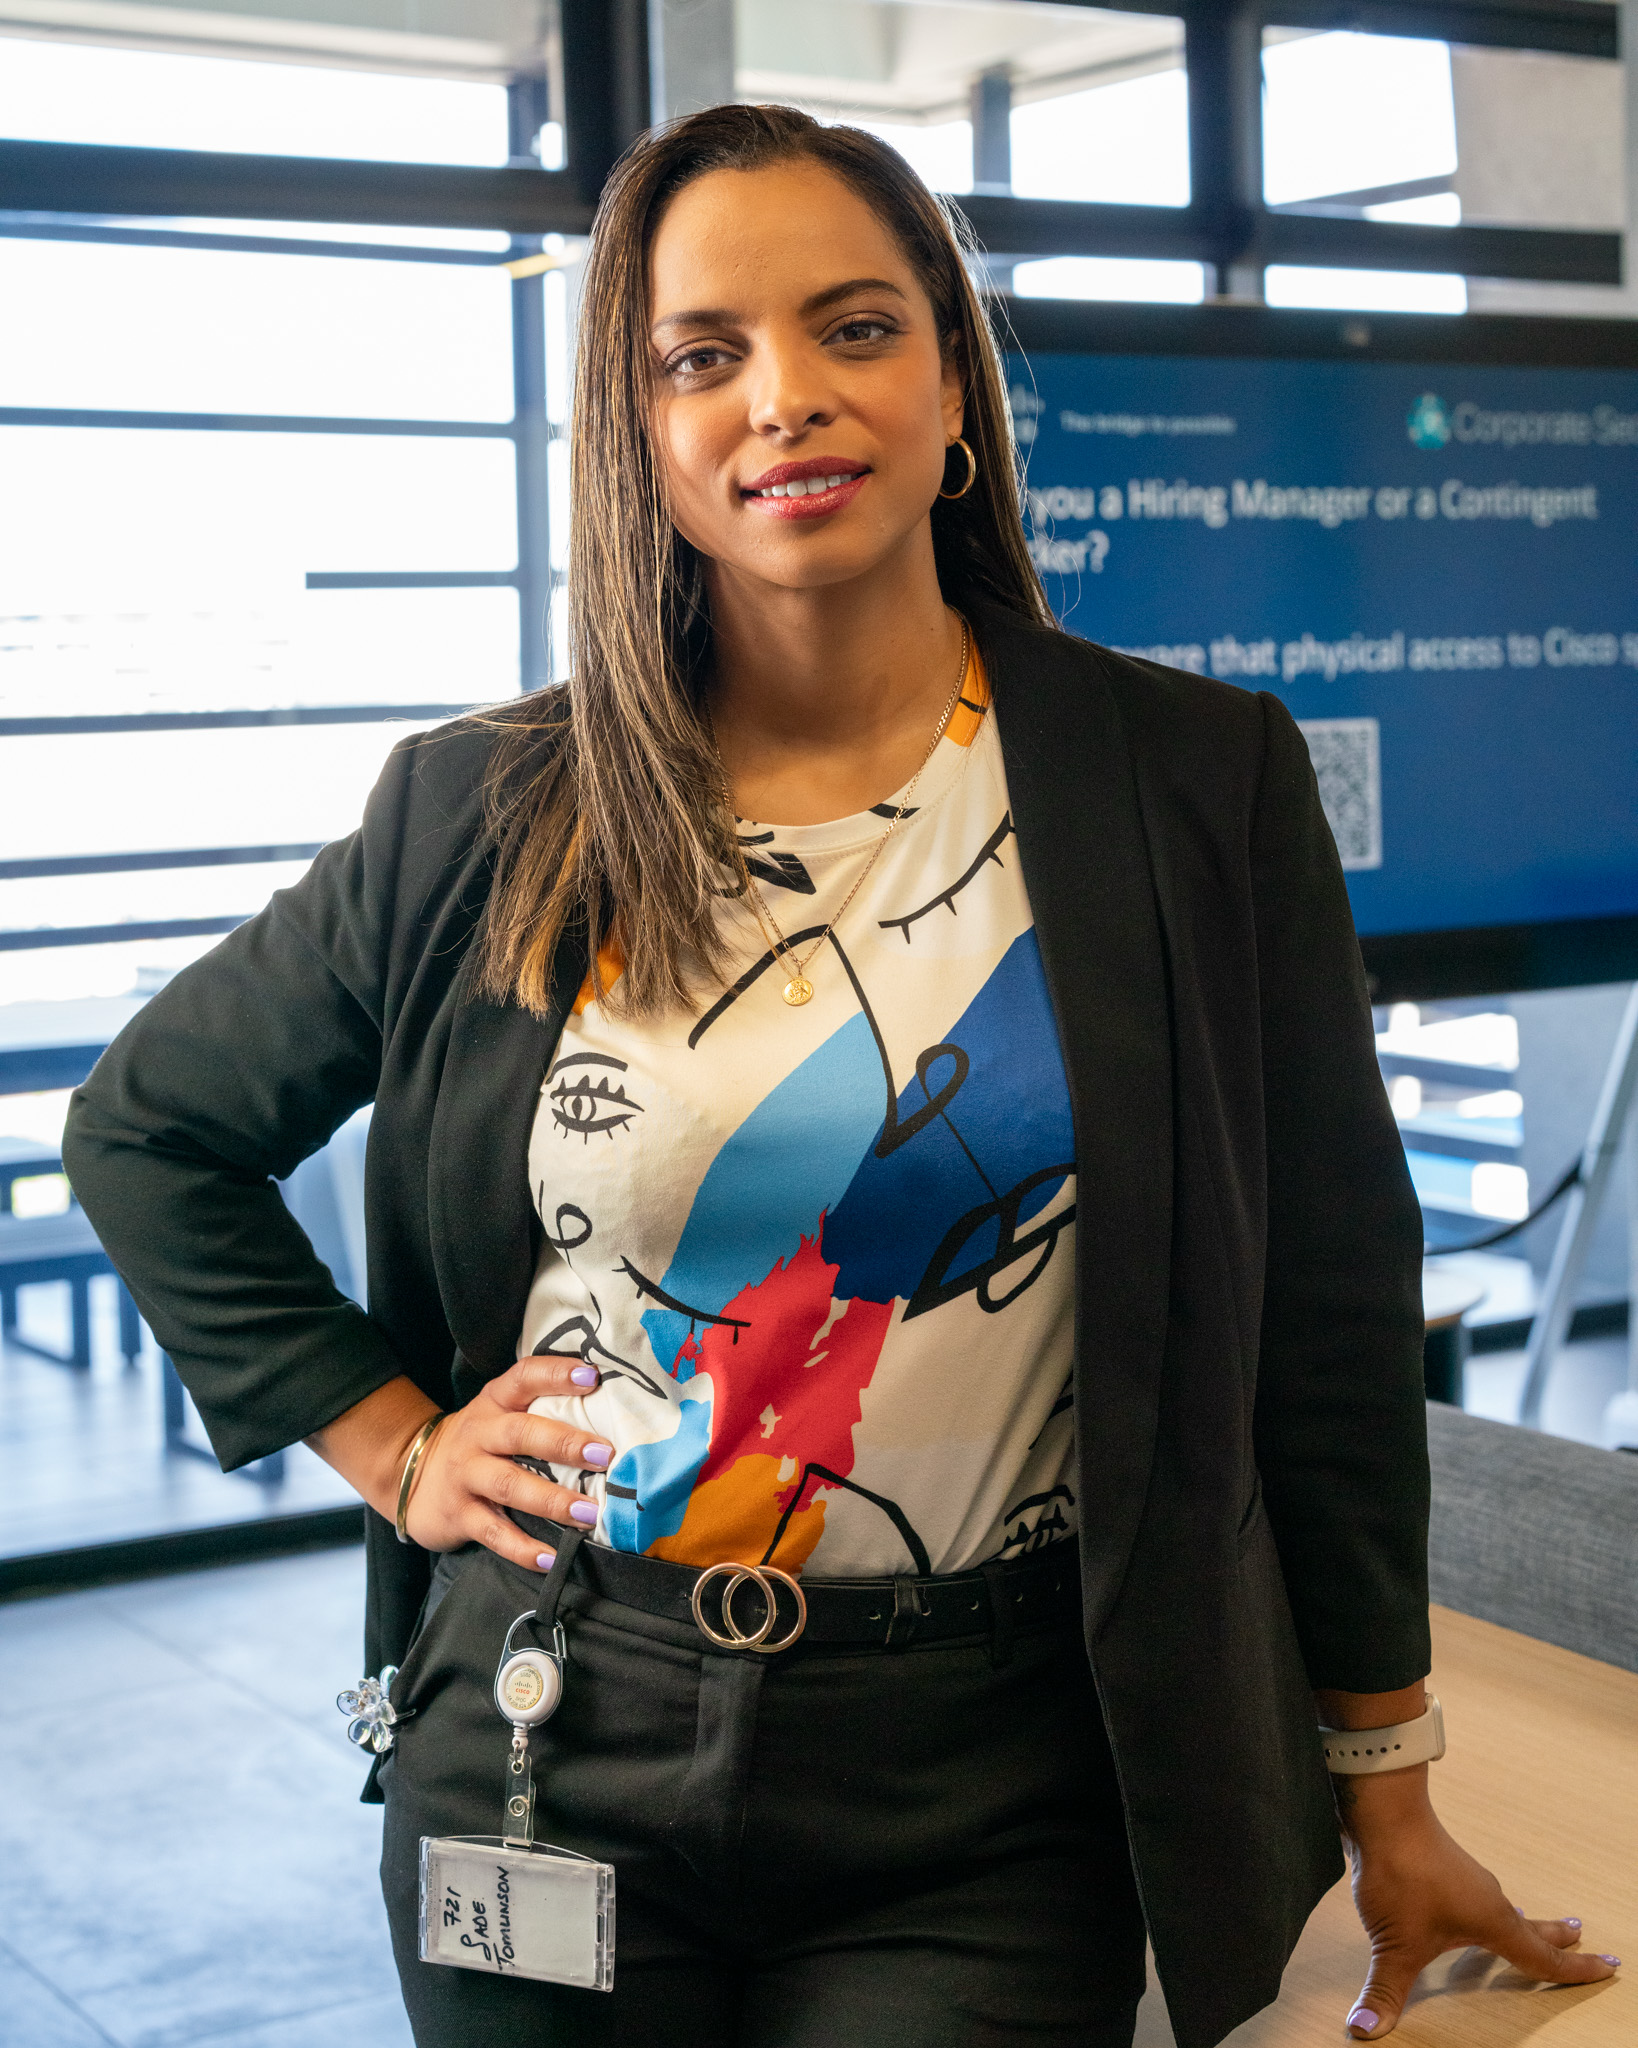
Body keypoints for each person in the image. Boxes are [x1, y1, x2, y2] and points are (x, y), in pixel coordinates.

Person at [64, 103, 1615, 2048]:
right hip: (556, 1723)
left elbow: (1320, 1312)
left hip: (989, 1782)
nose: (782, 398)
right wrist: (392, 1442)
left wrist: (1390, 1781)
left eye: (856, 328)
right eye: (700, 356)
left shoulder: (1191, 785)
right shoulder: (485, 810)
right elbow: (148, 1127)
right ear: (639, 438)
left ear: (955, 385)